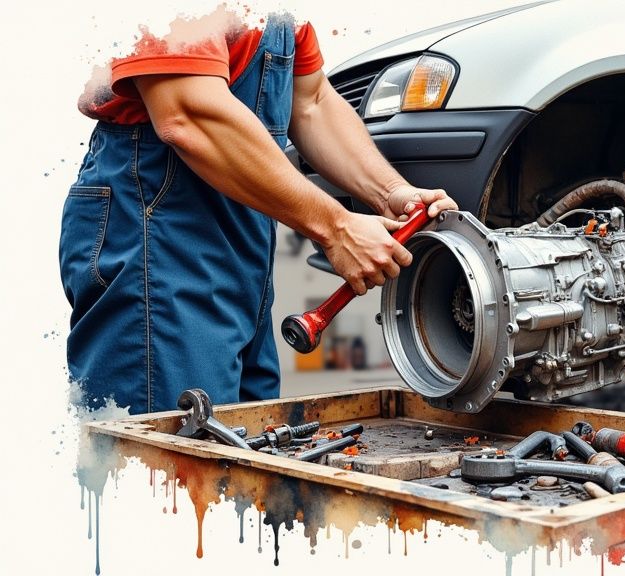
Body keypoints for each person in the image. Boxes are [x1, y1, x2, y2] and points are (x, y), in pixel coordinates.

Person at [60, 9, 456, 414]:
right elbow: (187, 114)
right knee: (167, 460)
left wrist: (391, 192)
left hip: (237, 246)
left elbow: (312, 102)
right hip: (155, 231)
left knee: (243, 450)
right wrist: (338, 229)